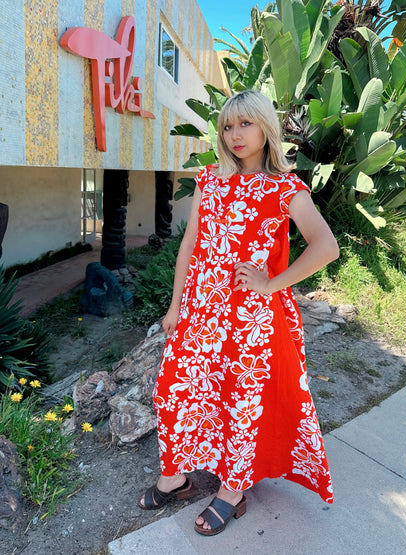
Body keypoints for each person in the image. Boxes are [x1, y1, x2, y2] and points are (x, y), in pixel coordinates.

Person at [138, 90, 339, 536]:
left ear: (265, 127)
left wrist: (270, 283)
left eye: (244, 124)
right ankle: (176, 478)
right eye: (227, 126)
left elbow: (326, 247)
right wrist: (175, 306)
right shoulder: (210, 179)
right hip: (202, 311)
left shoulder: (287, 188)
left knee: (239, 403)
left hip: (253, 321)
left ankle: (233, 491)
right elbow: (189, 245)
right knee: (174, 387)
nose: (235, 134)